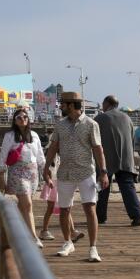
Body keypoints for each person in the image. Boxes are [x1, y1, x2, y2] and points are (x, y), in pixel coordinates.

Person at [44, 91, 109, 263]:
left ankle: (93, 248)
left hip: (86, 172)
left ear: (72, 105)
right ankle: (67, 243)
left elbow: (98, 149)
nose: (61, 107)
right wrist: (46, 167)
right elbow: (53, 146)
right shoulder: (60, 124)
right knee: (65, 209)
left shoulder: (91, 124)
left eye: (63, 104)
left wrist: (103, 172)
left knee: (90, 208)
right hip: (65, 172)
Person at [0, 107, 46, 247]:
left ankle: (17, 232)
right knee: (28, 205)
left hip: (33, 173)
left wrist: (46, 174)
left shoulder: (34, 135)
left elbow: (40, 157)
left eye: (25, 117)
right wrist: (2, 180)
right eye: (19, 117)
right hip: (17, 172)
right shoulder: (9, 136)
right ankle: (33, 237)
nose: (23, 119)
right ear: (14, 120)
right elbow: (2, 158)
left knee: (24, 206)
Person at [95, 96, 140, 227]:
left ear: (107, 103)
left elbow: (93, 140)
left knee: (102, 188)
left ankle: (100, 217)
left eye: (103, 103)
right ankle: (137, 215)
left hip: (106, 158)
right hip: (125, 158)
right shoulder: (127, 118)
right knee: (127, 187)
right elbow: (132, 139)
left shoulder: (100, 118)